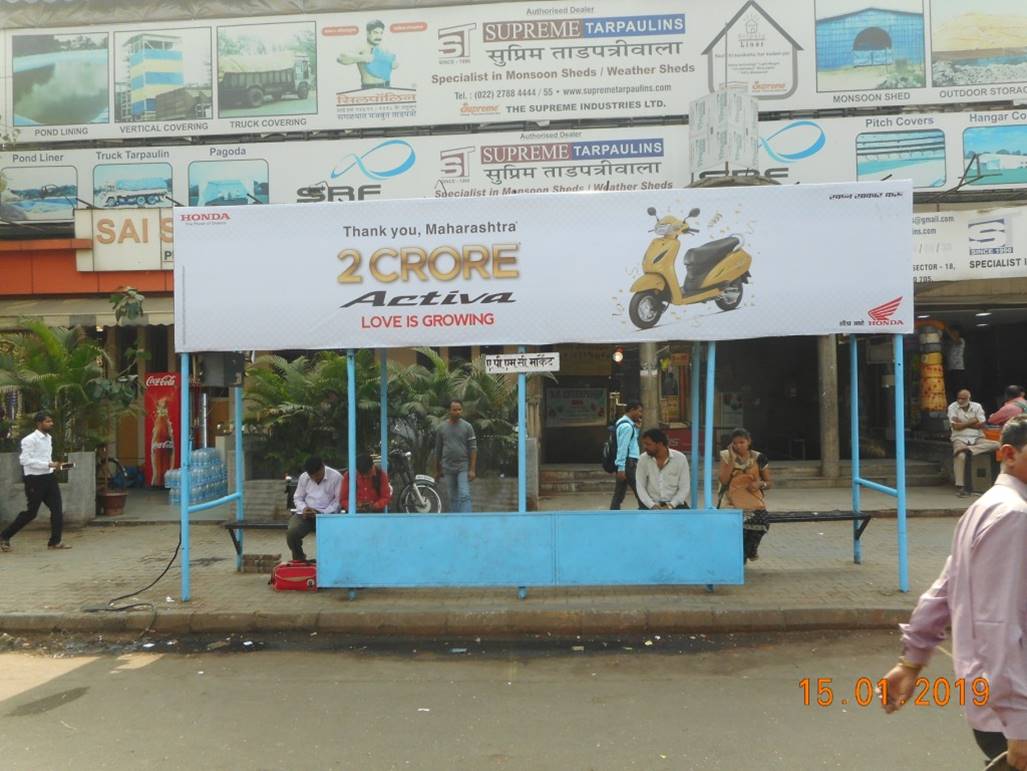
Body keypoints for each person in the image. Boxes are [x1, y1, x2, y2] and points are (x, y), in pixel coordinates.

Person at [880, 414, 1027, 770]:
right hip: (1009, 713)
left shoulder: (987, 507)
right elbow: (997, 624)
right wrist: (1019, 726)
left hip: (992, 705)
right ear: (1008, 454)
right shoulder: (1014, 515)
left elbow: (944, 589)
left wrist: (911, 661)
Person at [1, 410, 70, 552]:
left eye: (51, 421)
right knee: (31, 512)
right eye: (48, 421)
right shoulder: (29, 440)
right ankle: (4, 536)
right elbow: (24, 460)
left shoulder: (49, 438)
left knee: (57, 509)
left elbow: (46, 458)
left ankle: (55, 542)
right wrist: (48, 464)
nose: (51, 424)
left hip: (49, 477)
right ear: (39, 423)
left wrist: (56, 465)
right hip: (34, 479)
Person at [718, 428, 772, 562]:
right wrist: (732, 458)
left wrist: (760, 484)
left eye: (742, 442)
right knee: (737, 528)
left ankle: (750, 551)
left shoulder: (758, 457)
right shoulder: (726, 455)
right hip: (730, 500)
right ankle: (740, 558)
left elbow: (769, 482)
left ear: (749, 442)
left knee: (762, 521)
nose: (738, 446)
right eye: (735, 443)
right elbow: (723, 480)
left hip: (752, 500)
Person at [285, 456, 342, 563]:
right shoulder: (304, 477)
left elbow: (338, 502)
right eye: (312, 477)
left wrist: (322, 513)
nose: (315, 478)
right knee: (291, 533)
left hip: (327, 516)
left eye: (318, 475)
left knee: (334, 537)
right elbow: (298, 497)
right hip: (305, 514)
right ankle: (300, 559)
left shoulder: (336, 477)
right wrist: (304, 508)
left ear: (323, 467)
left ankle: (329, 562)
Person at [949, 389, 999, 498]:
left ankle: (969, 450)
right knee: (960, 456)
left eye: (963, 399)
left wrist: (963, 423)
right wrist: (973, 420)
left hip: (977, 437)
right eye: (958, 398)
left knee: (997, 444)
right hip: (959, 438)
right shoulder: (952, 407)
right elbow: (955, 426)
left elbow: (981, 424)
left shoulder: (977, 406)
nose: (960, 401)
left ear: (969, 399)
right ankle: (960, 486)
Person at [435, 399, 477, 513]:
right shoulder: (441, 428)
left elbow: (473, 448)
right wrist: (438, 470)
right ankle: (456, 522)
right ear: (450, 411)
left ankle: (467, 520)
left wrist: (472, 469)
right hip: (447, 467)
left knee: (464, 494)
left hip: (462, 466)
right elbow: (438, 450)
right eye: (455, 410)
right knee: (453, 497)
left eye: (459, 409)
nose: (457, 412)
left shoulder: (468, 427)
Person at [635, 428, 690, 510]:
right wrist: (652, 505)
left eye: (648, 444)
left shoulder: (680, 458)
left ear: (660, 444)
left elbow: (684, 487)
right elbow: (640, 486)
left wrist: (672, 505)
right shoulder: (643, 459)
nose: (645, 447)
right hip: (651, 505)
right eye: (644, 444)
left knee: (689, 521)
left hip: (676, 505)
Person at [336, 20, 398, 89]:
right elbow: (340, 58)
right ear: (368, 33)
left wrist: (393, 64)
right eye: (375, 33)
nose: (379, 36)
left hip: (387, 86)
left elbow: (393, 63)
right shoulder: (361, 47)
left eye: (381, 33)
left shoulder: (384, 47)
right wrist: (362, 58)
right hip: (369, 88)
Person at [609, 400, 643, 510]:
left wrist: (637, 429)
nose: (640, 414)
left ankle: (613, 512)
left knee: (619, 493)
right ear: (632, 410)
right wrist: (621, 468)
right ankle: (646, 511)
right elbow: (622, 448)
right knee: (640, 491)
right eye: (639, 411)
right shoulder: (627, 427)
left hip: (627, 463)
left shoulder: (625, 423)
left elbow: (631, 442)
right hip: (628, 463)